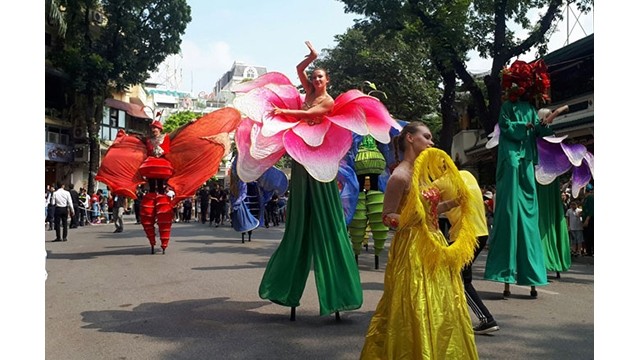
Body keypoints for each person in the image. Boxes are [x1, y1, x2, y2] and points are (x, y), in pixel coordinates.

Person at [258, 41, 362, 319]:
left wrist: (285, 114)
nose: (315, 79)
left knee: (328, 220)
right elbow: (298, 69)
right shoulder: (308, 92)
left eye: (320, 76)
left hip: (321, 161)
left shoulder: (328, 101)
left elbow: (310, 115)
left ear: (328, 81)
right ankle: (286, 289)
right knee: (298, 218)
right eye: (313, 76)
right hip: (301, 159)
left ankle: (339, 295)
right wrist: (312, 57)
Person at [360, 123, 478, 359]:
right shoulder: (399, 176)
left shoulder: (423, 176)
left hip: (435, 243)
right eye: (427, 137)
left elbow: (431, 211)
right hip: (412, 247)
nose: (431, 143)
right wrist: (412, 221)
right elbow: (386, 216)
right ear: (410, 139)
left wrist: (455, 203)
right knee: (415, 303)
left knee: (443, 303)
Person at [483, 60, 559, 298]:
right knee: (507, 217)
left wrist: (545, 125)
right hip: (511, 162)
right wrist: (524, 125)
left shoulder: (529, 108)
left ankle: (532, 277)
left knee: (528, 221)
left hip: (525, 163)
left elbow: (539, 131)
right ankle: (505, 276)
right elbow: (506, 127)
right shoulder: (507, 106)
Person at [437, 170, 500, 335]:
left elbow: (427, 207)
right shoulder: (468, 174)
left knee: (459, 279)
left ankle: (486, 319)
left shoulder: (440, 182)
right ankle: (453, 317)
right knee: (458, 276)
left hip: (463, 236)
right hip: (481, 233)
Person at [582, 184, 594, 256]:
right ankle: (588, 251)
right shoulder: (586, 198)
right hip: (586, 218)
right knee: (587, 235)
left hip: (590, 219)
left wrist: (587, 219)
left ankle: (591, 251)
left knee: (590, 235)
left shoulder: (590, 198)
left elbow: (591, 210)